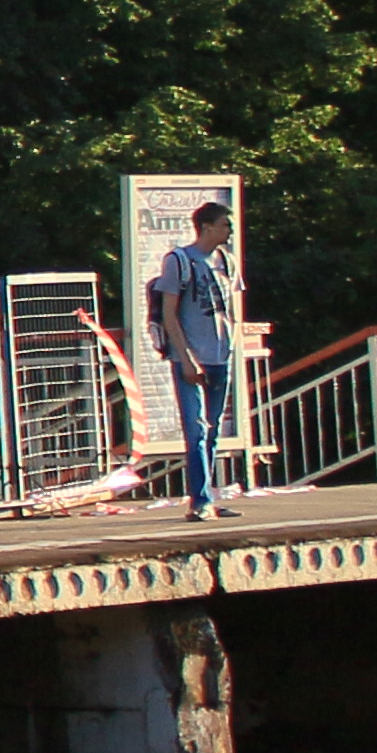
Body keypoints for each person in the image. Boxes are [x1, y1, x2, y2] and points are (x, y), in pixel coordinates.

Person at [151, 197, 247, 521]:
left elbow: (231, 308)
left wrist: (233, 342)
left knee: (215, 427)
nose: (230, 230)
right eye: (225, 224)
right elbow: (169, 313)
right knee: (196, 428)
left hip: (221, 353)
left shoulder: (226, 261)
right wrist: (186, 357)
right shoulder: (179, 260)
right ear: (207, 227)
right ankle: (200, 500)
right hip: (192, 357)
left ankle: (208, 493)